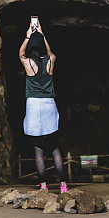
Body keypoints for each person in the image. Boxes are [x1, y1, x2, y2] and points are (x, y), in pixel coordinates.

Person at [19, 19, 68, 193]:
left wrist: (28, 36)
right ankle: (63, 185)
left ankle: (44, 186)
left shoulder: (27, 63)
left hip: (33, 105)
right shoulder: (50, 59)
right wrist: (42, 35)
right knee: (54, 147)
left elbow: (21, 52)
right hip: (48, 104)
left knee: (38, 150)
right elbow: (49, 51)